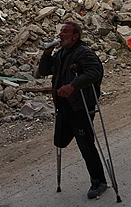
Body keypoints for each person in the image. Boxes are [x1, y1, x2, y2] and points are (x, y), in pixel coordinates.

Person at [36, 21, 108, 200]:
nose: (61, 34)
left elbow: (95, 72)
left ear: (75, 36)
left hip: (80, 106)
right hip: (64, 106)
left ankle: (99, 181)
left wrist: (73, 86)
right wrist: (47, 54)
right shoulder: (60, 54)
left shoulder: (83, 52)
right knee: (60, 141)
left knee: (86, 144)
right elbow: (43, 72)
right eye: (60, 31)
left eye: (65, 32)